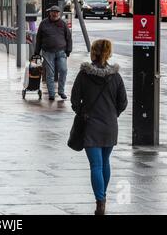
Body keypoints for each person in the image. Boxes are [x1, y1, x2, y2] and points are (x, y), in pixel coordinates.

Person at [71, 39, 128, 215]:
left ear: (93, 52)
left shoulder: (84, 75)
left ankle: (100, 202)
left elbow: (74, 100)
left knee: (95, 165)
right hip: (110, 125)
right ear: (109, 53)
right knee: (105, 162)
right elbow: (123, 102)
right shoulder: (116, 76)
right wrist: (113, 114)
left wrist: (83, 111)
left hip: (91, 124)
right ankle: (103, 198)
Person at [34, 5, 72, 101]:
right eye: (53, 12)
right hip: (47, 52)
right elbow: (38, 39)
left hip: (61, 51)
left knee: (63, 70)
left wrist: (68, 50)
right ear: (50, 13)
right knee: (50, 74)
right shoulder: (44, 23)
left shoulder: (63, 24)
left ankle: (61, 91)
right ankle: (51, 94)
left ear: (59, 13)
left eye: (57, 12)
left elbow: (69, 38)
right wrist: (36, 53)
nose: (55, 14)